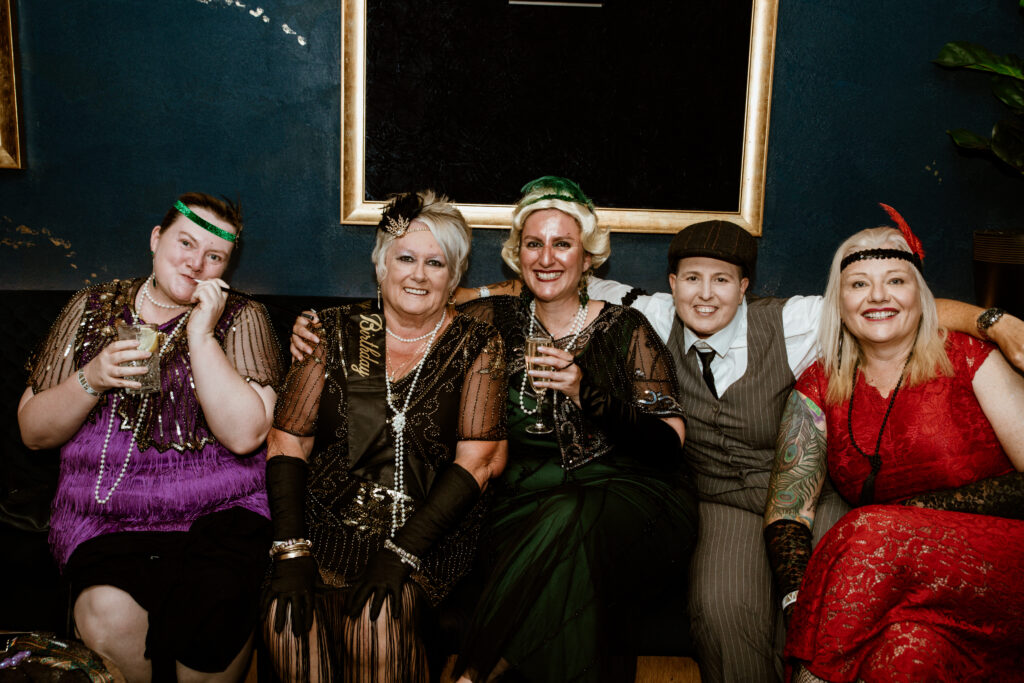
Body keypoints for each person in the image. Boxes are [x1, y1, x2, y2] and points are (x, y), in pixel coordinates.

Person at [17, 192, 282, 682]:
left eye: (214, 255)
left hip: (220, 514)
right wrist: (92, 378)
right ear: (157, 239)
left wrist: (202, 334)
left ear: (226, 267)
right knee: (109, 618)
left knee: (214, 616)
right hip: (105, 515)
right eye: (186, 243)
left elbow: (246, 437)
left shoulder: (242, 316)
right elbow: (33, 433)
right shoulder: (92, 306)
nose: (196, 263)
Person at [448, 177, 697, 682]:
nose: (547, 258)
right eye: (533, 244)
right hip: (524, 503)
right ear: (518, 255)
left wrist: (587, 394)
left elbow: (668, 443)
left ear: (587, 258)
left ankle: (474, 672)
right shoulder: (490, 319)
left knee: (572, 512)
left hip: (633, 496)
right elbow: (411, 317)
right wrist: (320, 329)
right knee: (566, 543)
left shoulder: (626, 327)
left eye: (562, 244)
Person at [763, 207, 1024, 682]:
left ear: (919, 294)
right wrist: (800, 604)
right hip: (905, 594)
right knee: (905, 655)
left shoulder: (969, 357)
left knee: (868, 527)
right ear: (839, 301)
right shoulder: (819, 383)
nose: (878, 296)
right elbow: (788, 512)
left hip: (1001, 565)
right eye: (859, 283)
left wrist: (913, 513)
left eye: (896, 281)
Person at [262, 191, 508, 683]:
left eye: (436, 263)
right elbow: (287, 441)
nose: (419, 275)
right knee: (287, 623)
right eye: (406, 258)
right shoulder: (329, 332)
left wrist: (400, 554)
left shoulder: (479, 344)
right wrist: (292, 548)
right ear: (381, 266)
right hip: (327, 531)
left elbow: (481, 461)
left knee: (376, 622)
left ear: (454, 277)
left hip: (428, 538)